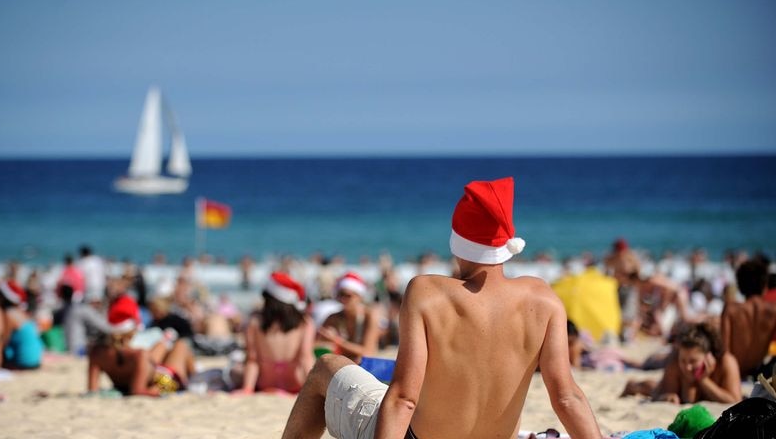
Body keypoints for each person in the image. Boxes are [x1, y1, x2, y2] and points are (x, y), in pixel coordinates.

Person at [282, 177, 601, 439]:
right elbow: (566, 397)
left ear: (457, 241)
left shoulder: (427, 292)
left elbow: (404, 398)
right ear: (506, 245)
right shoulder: (544, 300)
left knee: (326, 369)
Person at [87, 295, 196, 396]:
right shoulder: (138, 355)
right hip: (165, 381)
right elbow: (138, 391)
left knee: (162, 346)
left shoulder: (96, 353)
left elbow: (92, 391)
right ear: (133, 329)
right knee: (181, 346)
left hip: (146, 375)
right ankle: (195, 379)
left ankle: (194, 377)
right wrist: (160, 390)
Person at [236, 272, 316, 394]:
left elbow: (252, 360)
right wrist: (312, 391)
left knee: (235, 370)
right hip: (295, 384)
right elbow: (305, 358)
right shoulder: (305, 323)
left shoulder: (255, 322)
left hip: (265, 385)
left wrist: (247, 388)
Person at [622, 323, 742, 404]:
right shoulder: (676, 361)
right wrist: (667, 397)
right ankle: (633, 386)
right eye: (683, 360)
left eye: (693, 361)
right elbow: (686, 399)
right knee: (654, 389)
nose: (687, 366)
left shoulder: (726, 362)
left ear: (708, 356)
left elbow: (735, 400)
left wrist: (703, 380)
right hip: (663, 387)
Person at [721, 257, 776, 377]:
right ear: (765, 286)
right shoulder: (773, 311)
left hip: (734, 373)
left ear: (740, 285)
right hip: (758, 374)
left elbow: (725, 352)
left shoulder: (731, 310)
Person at [317, 272, 382, 363]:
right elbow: (315, 344)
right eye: (340, 295)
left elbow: (368, 352)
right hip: (345, 365)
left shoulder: (370, 315)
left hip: (365, 366)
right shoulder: (334, 317)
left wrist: (336, 340)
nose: (343, 299)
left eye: (348, 295)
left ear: (359, 296)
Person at [0, 280, 43, 369]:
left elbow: (4, 341)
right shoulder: (22, 312)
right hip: (36, 361)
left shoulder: (8, 314)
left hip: (23, 362)